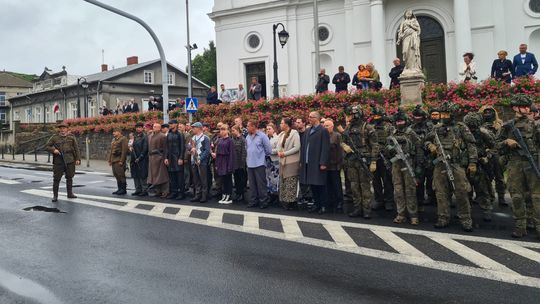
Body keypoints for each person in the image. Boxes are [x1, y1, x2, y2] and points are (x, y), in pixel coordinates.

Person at [425, 101, 477, 232]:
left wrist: (472, 162)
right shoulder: (436, 128)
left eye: (447, 113)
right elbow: (425, 140)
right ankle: (443, 218)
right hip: (440, 164)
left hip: (456, 164)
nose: (444, 116)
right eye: (442, 113)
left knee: (462, 192)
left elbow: (471, 145)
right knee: (441, 193)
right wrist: (430, 146)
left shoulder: (460, 127)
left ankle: (465, 219)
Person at [497, 94, 540, 239]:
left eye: (528, 106)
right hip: (515, 164)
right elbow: (497, 145)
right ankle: (520, 227)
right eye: (524, 106)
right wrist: (506, 142)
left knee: (536, 197)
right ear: (515, 107)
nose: (527, 109)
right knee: (516, 196)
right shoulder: (508, 126)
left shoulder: (535, 125)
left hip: (532, 163)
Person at [342, 106, 379, 218]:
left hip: (363, 160)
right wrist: (344, 146)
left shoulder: (367, 127)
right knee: (354, 186)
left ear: (357, 114)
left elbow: (375, 145)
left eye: (351, 115)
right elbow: (342, 140)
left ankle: (366, 210)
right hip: (351, 160)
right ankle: (357, 208)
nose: (349, 117)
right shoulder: (348, 128)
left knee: (365, 186)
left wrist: (373, 161)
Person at [386, 109, 419, 225]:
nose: (400, 124)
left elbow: (419, 147)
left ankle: (413, 214)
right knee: (398, 189)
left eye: (401, 121)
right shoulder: (392, 133)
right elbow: (387, 147)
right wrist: (390, 149)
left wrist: (419, 165)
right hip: (396, 163)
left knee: (410, 189)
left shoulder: (411, 133)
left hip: (408, 162)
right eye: (398, 122)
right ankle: (401, 213)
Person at [463, 112, 496, 222]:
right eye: (469, 126)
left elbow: (494, 147)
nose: (471, 129)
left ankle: (486, 209)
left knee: (482, 188)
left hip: (480, 163)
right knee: (465, 190)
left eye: (473, 127)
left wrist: (488, 156)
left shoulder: (483, 133)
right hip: (465, 163)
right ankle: (466, 211)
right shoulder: (462, 131)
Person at [300, 111, 330, 214]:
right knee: (313, 185)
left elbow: (325, 148)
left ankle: (323, 205)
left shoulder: (323, 131)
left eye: (311, 117)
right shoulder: (308, 131)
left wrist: (323, 162)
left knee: (320, 185)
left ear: (316, 118)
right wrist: (302, 161)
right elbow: (304, 147)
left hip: (318, 163)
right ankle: (316, 204)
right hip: (309, 162)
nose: (309, 118)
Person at [479, 105, 507, 207]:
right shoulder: (479, 125)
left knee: (499, 177)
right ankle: (488, 197)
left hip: (496, 153)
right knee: (486, 177)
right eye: (485, 112)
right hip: (484, 153)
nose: (487, 114)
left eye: (489, 112)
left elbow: (503, 139)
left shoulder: (500, 124)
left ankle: (501, 198)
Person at [45, 123, 81, 202]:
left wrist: (78, 159)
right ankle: (55, 196)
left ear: (67, 129)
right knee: (56, 179)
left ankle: (70, 193)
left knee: (70, 177)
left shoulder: (71, 137)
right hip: (59, 160)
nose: (62, 130)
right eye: (61, 128)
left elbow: (76, 148)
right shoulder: (55, 138)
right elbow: (47, 146)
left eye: (64, 128)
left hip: (70, 160)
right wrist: (54, 150)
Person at [411, 105, 436, 207]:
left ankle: (432, 198)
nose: (417, 118)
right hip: (417, 157)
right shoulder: (411, 128)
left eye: (419, 116)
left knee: (431, 179)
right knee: (418, 180)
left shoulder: (430, 127)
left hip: (429, 156)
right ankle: (419, 200)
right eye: (415, 116)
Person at [370, 106, 394, 211]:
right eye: (374, 116)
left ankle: (389, 200)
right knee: (375, 180)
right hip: (374, 157)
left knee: (387, 180)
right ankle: (378, 199)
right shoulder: (371, 127)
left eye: (378, 116)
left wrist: (385, 150)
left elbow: (393, 141)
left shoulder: (389, 127)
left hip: (386, 157)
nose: (376, 118)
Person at [275, 118, 301, 210]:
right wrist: (278, 152)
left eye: (282, 123)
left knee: (291, 181)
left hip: (292, 161)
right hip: (282, 161)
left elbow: (297, 147)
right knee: (283, 180)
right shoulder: (281, 134)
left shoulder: (294, 133)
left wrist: (284, 153)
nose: (280, 125)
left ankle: (291, 202)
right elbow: (278, 146)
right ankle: (284, 200)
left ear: (286, 124)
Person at [246, 120, 272, 208]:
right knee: (252, 184)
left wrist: (262, 156)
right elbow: (247, 148)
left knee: (261, 184)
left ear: (253, 126)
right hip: (250, 163)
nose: (247, 128)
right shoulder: (247, 137)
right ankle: (254, 201)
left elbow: (268, 150)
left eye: (248, 126)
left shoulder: (262, 136)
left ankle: (263, 202)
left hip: (259, 163)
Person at [323, 119, 344, 212]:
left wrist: (339, 163)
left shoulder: (337, 136)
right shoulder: (322, 136)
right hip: (325, 165)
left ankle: (339, 202)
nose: (325, 127)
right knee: (327, 185)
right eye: (324, 126)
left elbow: (341, 151)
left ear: (332, 126)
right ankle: (329, 201)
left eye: (327, 126)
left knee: (336, 185)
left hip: (334, 165)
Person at [190, 122, 211, 203]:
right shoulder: (193, 138)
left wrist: (200, 159)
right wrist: (191, 148)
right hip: (193, 160)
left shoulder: (205, 138)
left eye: (194, 128)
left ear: (199, 128)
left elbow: (207, 150)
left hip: (202, 162)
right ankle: (197, 195)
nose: (192, 129)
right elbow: (188, 145)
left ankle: (204, 195)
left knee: (203, 180)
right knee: (196, 179)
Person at [213, 124, 235, 204]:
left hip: (227, 160)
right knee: (223, 180)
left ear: (227, 131)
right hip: (221, 161)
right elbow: (217, 153)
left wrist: (230, 166)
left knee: (228, 179)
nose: (222, 131)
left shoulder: (230, 141)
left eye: (224, 130)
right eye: (221, 130)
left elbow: (232, 154)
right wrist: (216, 164)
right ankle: (224, 194)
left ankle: (229, 196)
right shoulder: (220, 140)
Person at [165, 119, 186, 200]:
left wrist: (181, 158)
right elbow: (166, 147)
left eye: (172, 123)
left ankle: (181, 193)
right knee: (172, 177)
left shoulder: (180, 134)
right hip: (170, 158)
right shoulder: (169, 134)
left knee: (180, 177)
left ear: (176, 124)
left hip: (177, 158)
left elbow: (182, 147)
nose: (170, 125)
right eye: (169, 123)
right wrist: (166, 158)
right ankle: (174, 192)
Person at [294, 117, 313, 207]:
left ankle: (309, 197)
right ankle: (303, 195)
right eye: (296, 122)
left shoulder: (308, 133)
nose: (297, 124)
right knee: (301, 179)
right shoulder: (295, 134)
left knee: (308, 178)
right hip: (297, 159)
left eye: (299, 122)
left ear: (304, 123)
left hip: (306, 159)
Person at [147, 123, 170, 198]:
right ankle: (158, 191)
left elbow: (165, 148)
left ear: (160, 128)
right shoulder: (150, 136)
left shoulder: (162, 136)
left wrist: (163, 157)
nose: (154, 128)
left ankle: (165, 191)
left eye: (156, 127)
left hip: (159, 158)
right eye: (153, 126)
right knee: (154, 176)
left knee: (162, 176)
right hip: (152, 158)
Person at [130, 122, 149, 196]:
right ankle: (137, 189)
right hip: (134, 158)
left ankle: (144, 190)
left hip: (142, 159)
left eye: (139, 127)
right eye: (137, 127)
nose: (138, 129)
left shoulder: (144, 137)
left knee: (142, 175)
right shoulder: (134, 137)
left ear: (142, 128)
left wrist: (140, 157)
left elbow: (145, 149)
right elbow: (131, 146)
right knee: (135, 175)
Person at [108, 128, 129, 195]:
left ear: (119, 132)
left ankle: (123, 189)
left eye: (115, 132)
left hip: (119, 160)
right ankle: (119, 189)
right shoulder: (114, 140)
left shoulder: (123, 139)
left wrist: (122, 160)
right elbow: (111, 151)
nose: (113, 133)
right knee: (116, 175)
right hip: (114, 160)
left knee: (121, 175)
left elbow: (124, 151)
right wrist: (110, 160)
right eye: (113, 132)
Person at [231, 125, 247, 202]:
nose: (232, 132)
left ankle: (241, 194)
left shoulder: (243, 140)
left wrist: (242, 164)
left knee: (241, 179)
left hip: (240, 163)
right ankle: (238, 193)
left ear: (237, 130)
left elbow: (244, 152)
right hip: (234, 163)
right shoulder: (232, 139)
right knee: (236, 179)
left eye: (233, 130)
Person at [266, 123, 280, 204]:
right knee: (268, 178)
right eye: (267, 129)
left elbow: (278, 149)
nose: (268, 130)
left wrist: (269, 151)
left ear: (274, 129)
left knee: (275, 179)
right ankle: (270, 194)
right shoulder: (266, 137)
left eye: (269, 129)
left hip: (274, 160)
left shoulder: (277, 138)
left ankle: (275, 195)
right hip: (267, 161)